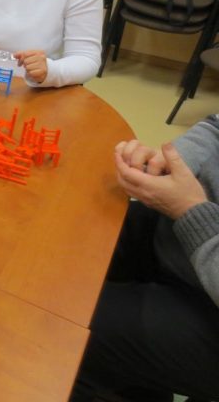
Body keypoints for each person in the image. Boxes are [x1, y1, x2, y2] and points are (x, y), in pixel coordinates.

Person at [70, 115, 219, 401]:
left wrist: (190, 209)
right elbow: (215, 127)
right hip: (186, 235)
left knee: (72, 328)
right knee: (77, 243)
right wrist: (168, 165)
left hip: (207, 288)